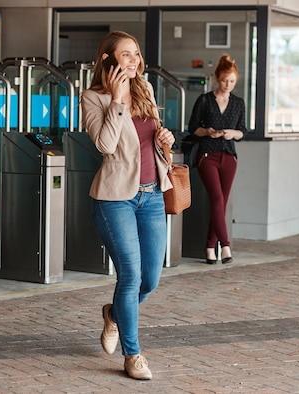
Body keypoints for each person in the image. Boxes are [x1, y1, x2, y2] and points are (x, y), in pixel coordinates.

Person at [81, 31, 175, 380]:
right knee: (131, 276)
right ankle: (133, 355)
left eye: (136, 53)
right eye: (126, 54)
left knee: (150, 279)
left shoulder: (145, 89)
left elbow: (152, 137)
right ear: (108, 59)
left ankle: (114, 315)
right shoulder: (92, 98)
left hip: (151, 195)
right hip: (114, 199)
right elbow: (106, 145)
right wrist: (117, 100)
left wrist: (165, 139)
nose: (134, 60)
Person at [187, 54, 245, 265]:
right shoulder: (204, 100)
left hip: (229, 156)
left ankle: (210, 247)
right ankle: (226, 246)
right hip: (207, 155)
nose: (228, 85)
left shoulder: (238, 103)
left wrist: (232, 133)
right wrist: (207, 131)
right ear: (216, 78)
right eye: (224, 81)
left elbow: (243, 131)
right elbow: (193, 128)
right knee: (217, 200)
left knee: (220, 203)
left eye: (232, 81)